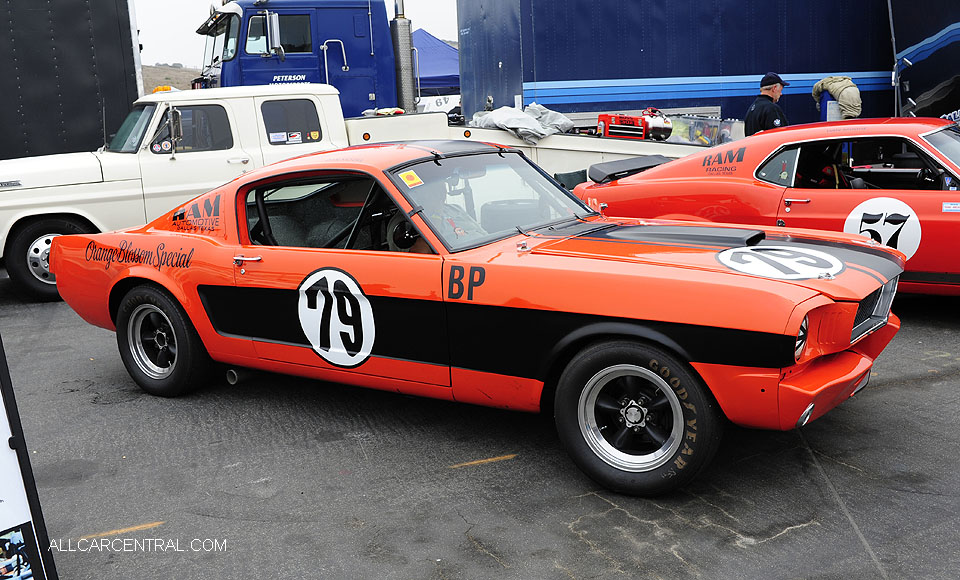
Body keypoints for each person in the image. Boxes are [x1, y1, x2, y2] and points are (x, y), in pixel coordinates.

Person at [744, 72, 790, 136]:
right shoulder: (771, 109)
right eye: (780, 90)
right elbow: (780, 136)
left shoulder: (752, 108)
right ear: (774, 88)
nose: (781, 94)